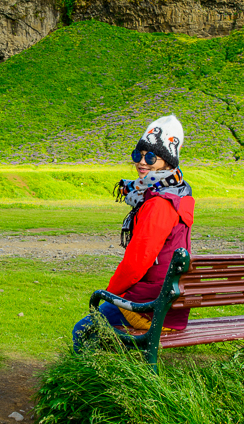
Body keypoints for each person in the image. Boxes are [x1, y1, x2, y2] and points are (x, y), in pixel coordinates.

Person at [72, 115, 194, 351]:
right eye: (138, 155)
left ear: (168, 162)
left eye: (151, 157)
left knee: (83, 329)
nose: (141, 162)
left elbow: (137, 263)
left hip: (152, 306)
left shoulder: (158, 204)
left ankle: (84, 383)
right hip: (172, 301)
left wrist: (109, 294)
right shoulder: (179, 194)